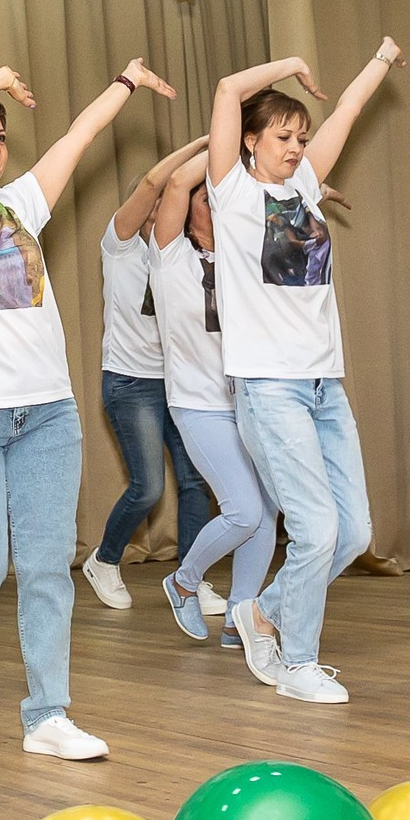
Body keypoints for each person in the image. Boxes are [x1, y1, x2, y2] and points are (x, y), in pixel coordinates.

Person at [0, 55, 176, 761]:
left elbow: (76, 138)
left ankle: (47, 713)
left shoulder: (21, 202)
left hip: (46, 413)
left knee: (49, 563)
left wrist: (125, 83)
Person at [206, 42, 402, 707]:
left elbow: (346, 109)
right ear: (251, 142)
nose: (294, 147)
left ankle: (259, 611)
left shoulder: (305, 187)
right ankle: (298, 662)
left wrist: (379, 59)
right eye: (282, 136)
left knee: (353, 533)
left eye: (301, 137)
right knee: (315, 528)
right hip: (269, 387)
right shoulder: (230, 193)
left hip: (323, 386)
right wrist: (289, 65)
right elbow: (230, 88)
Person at [147, 153, 281, 651]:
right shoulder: (168, 257)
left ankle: (239, 622)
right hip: (197, 406)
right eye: (209, 199)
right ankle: (184, 580)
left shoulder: (241, 259)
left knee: (265, 513)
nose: (218, 206)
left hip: (248, 403)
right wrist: (228, 139)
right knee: (243, 510)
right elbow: (179, 180)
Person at [82, 142, 216, 609]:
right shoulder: (120, 246)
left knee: (195, 482)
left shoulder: (187, 257)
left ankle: (190, 579)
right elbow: (154, 182)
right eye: (159, 205)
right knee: (149, 487)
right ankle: (105, 558)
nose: (165, 211)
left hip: (181, 384)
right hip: (130, 384)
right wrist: (208, 143)